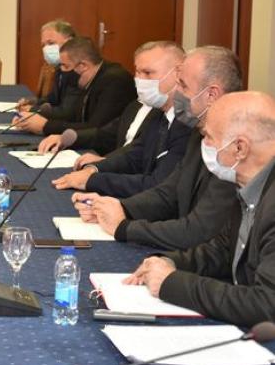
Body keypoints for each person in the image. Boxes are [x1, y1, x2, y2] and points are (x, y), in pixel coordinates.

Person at [124, 91, 275, 327]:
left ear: (240, 148)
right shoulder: (249, 183)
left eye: (208, 137)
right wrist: (171, 262)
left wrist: (172, 283)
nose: (203, 144)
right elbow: (223, 251)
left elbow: (266, 304)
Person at [73, 45, 242, 250]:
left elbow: (198, 230)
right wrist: (120, 208)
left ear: (212, 95)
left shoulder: (234, 149)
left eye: (183, 85)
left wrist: (124, 228)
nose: (176, 91)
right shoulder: (199, 131)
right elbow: (169, 193)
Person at [49, 41, 191, 198]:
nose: (140, 79)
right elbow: (135, 153)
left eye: (148, 73)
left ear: (178, 75)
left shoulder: (186, 123)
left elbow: (158, 185)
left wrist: (93, 180)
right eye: (137, 72)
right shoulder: (158, 113)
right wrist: (96, 168)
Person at [15, 36, 136, 135]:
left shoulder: (114, 81)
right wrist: (35, 119)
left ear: (83, 66)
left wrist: (45, 126)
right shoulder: (91, 77)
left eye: (66, 66)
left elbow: (95, 128)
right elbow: (74, 115)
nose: (62, 71)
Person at [23, 19, 82, 120]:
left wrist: (33, 109)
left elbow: (67, 112)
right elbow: (54, 98)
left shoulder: (78, 70)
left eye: (51, 43)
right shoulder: (59, 67)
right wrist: (33, 103)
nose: (46, 49)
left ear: (69, 42)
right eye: (43, 45)